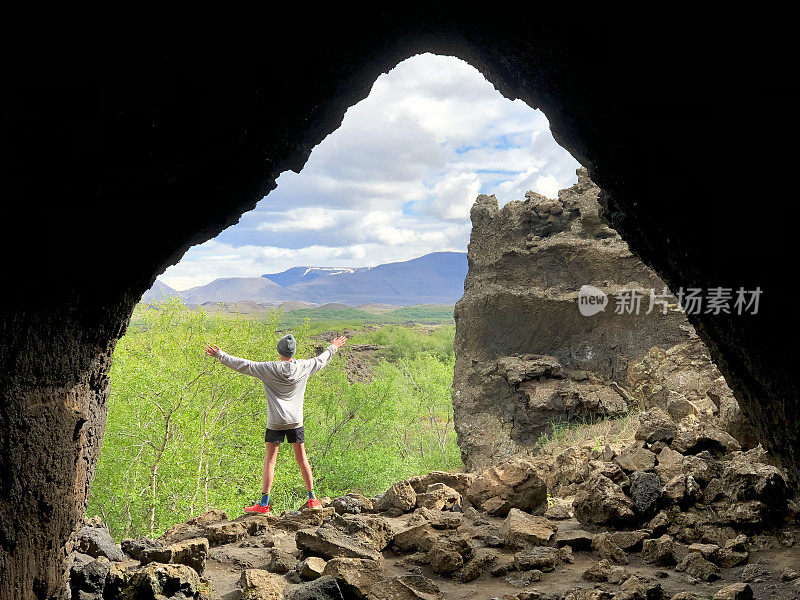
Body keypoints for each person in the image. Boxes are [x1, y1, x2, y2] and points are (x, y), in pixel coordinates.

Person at [204, 333, 347, 513]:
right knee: (302, 459)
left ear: (279, 352)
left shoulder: (268, 368)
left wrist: (220, 355)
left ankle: (264, 504)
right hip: (296, 421)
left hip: (276, 422)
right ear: (293, 352)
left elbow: (243, 365)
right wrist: (333, 346)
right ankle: (312, 500)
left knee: (270, 461)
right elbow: (322, 358)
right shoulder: (304, 366)